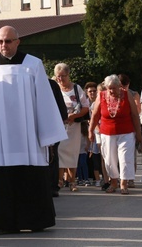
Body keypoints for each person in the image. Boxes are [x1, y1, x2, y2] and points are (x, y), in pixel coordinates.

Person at [0, 26, 67, 235]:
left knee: (31, 177)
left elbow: (44, 102)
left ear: (17, 42)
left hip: (29, 137)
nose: (3, 45)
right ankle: (5, 222)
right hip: (1, 137)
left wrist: (47, 136)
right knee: (4, 180)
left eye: (8, 41)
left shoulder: (33, 64)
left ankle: (35, 220)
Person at [88, 75, 142, 194]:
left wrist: (139, 134)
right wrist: (90, 130)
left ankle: (124, 183)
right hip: (107, 132)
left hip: (126, 132)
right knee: (109, 158)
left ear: (119, 86)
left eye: (114, 88)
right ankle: (113, 182)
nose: (111, 91)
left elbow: (134, 115)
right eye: (109, 88)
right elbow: (95, 114)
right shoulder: (101, 95)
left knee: (125, 157)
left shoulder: (127, 94)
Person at [54, 63, 90, 192]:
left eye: (63, 76)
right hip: (59, 126)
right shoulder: (54, 88)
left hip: (74, 126)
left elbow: (86, 107)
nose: (61, 79)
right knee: (59, 152)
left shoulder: (76, 88)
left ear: (68, 75)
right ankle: (59, 180)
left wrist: (75, 115)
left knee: (72, 153)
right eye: (58, 76)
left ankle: (72, 181)